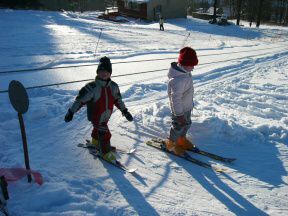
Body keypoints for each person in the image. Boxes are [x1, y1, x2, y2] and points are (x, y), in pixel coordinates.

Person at [64, 56, 133, 163]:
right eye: (101, 71)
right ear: (97, 72)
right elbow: (80, 100)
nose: (104, 73)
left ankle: (96, 142)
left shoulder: (114, 87)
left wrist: (125, 111)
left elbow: (118, 100)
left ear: (110, 73)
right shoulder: (92, 87)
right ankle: (105, 152)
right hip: (95, 115)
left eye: (106, 71)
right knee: (104, 133)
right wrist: (71, 112)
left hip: (106, 116)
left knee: (99, 129)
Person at [165, 47, 198, 155]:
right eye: (191, 65)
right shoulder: (178, 80)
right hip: (179, 111)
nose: (193, 68)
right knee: (177, 127)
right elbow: (175, 99)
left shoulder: (185, 73)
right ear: (184, 64)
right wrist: (179, 114)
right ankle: (171, 144)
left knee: (187, 124)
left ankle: (181, 140)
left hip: (186, 108)